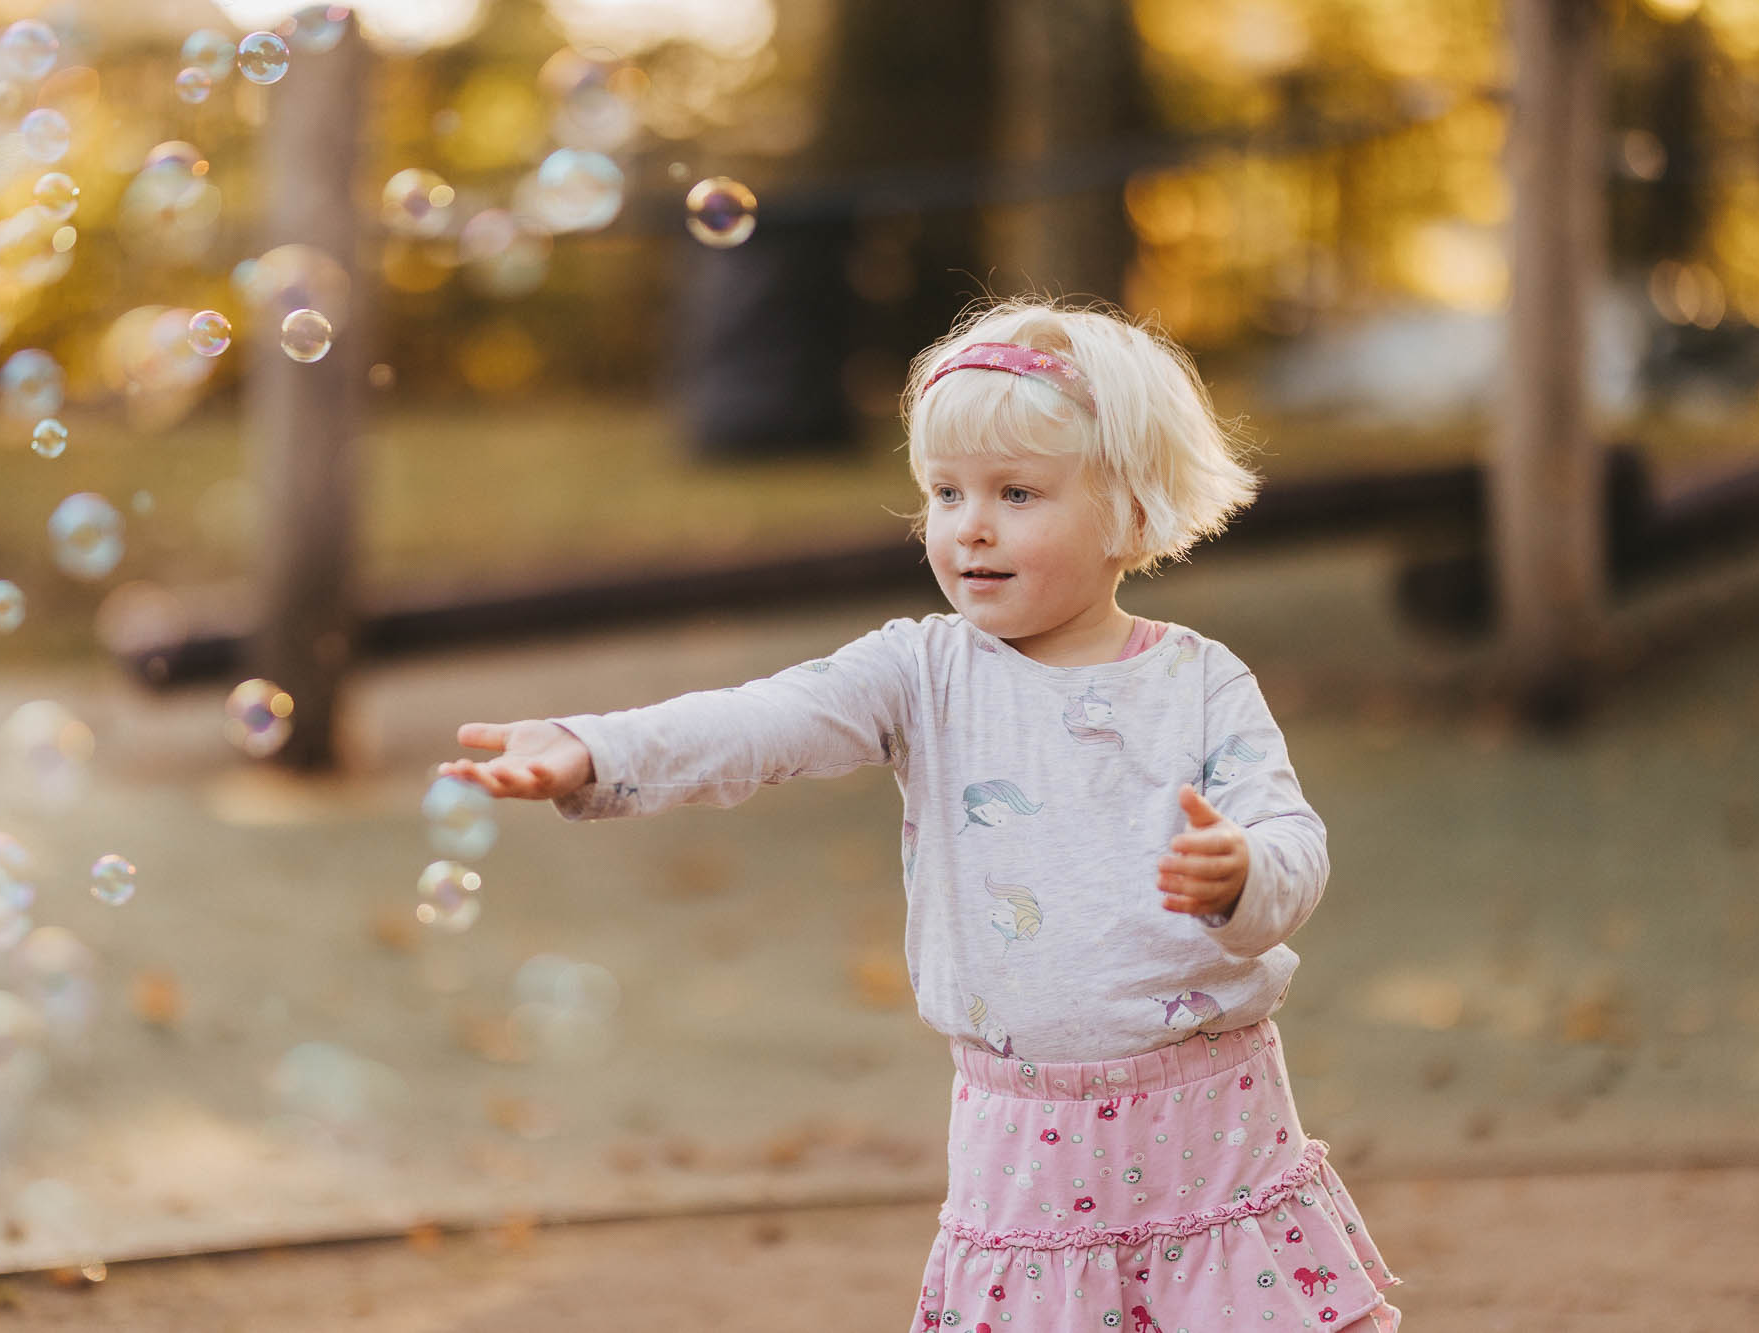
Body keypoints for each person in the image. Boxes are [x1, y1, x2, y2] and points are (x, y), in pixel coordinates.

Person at [436, 296, 1405, 1331]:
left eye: (1016, 492)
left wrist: (1243, 877)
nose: (968, 525)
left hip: (1210, 1121)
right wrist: (598, 746)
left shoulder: (1200, 681)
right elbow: (764, 720)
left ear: (1128, 509)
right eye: (943, 492)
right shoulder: (920, 670)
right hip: (1021, 1141)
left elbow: (1290, 840)